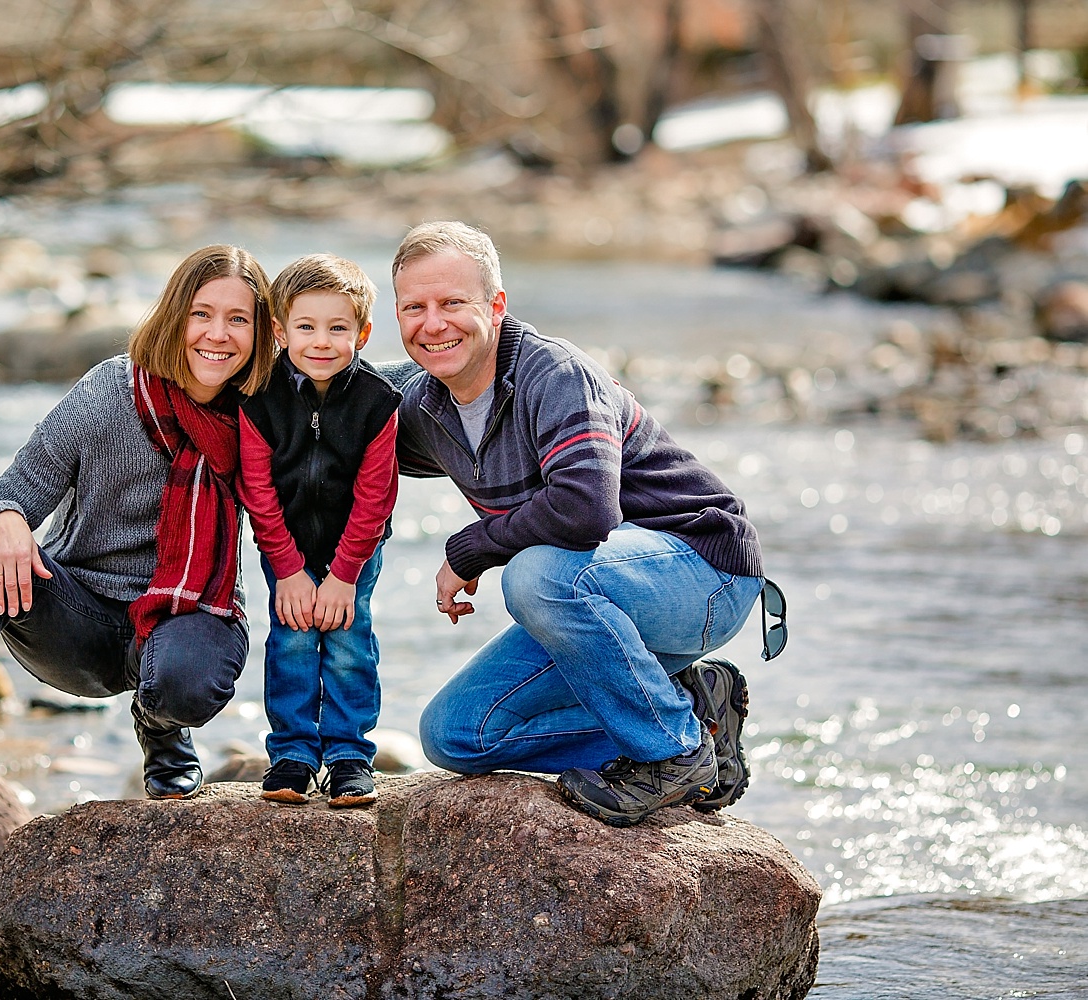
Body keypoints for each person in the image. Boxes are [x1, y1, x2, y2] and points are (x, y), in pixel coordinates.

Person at [0, 245, 278, 855]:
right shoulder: (111, 393)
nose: (218, 335)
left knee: (185, 683)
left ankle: (161, 726)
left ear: (261, 332)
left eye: (238, 319)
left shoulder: (269, 410)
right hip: (81, 622)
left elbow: (365, 399)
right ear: (175, 316)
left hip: (188, 618)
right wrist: (5, 520)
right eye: (202, 314)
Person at [386, 221, 767, 828]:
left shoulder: (555, 375)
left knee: (533, 576)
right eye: (415, 308)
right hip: (600, 595)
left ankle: (672, 750)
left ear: (496, 305)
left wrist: (470, 548)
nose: (434, 324)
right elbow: (328, 388)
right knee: (455, 735)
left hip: (704, 574)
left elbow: (586, 508)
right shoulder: (427, 404)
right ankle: (698, 718)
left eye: (453, 303)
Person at [238, 254, 400, 808]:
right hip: (285, 546)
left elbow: (376, 496)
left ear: (363, 331)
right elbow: (255, 488)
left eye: (338, 328)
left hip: (354, 549)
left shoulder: (378, 402)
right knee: (292, 638)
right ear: (280, 332)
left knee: (350, 641)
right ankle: (292, 754)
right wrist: (286, 568)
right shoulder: (259, 399)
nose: (322, 342)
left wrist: (343, 576)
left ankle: (350, 756)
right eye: (306, 327)